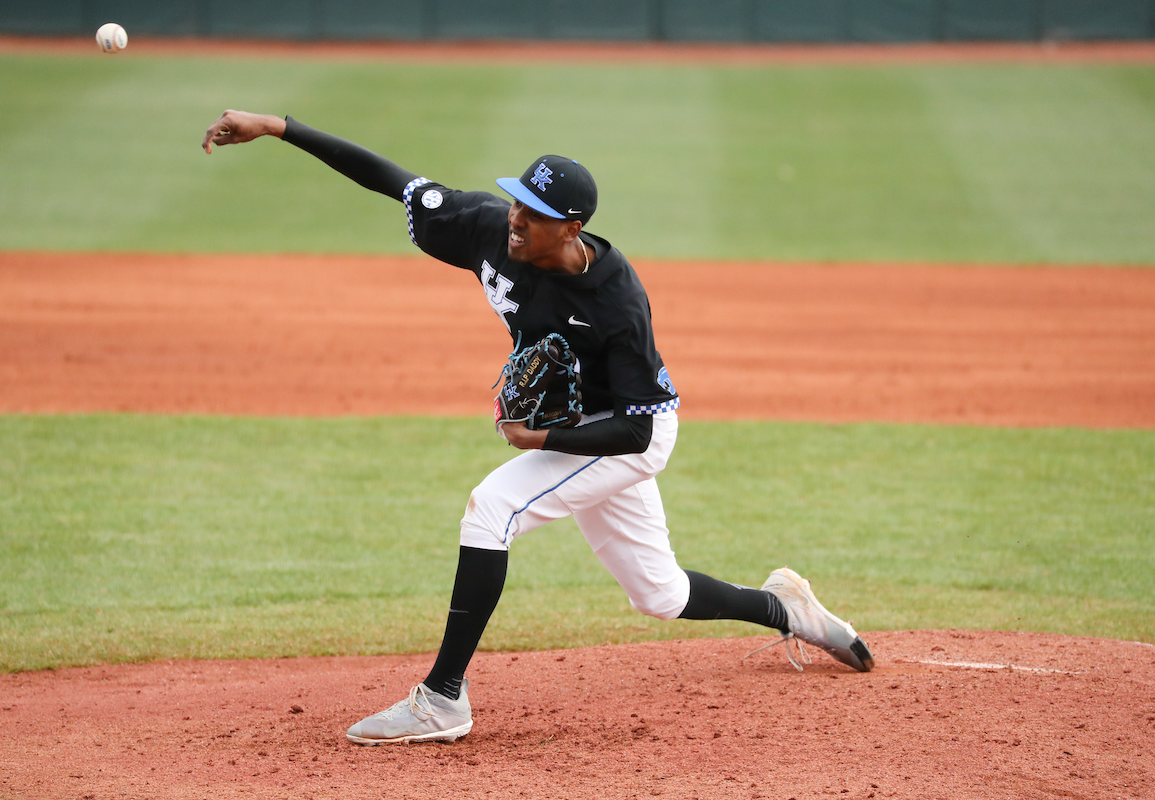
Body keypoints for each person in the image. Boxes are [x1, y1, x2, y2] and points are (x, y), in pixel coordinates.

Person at [201, 110, 875, 746]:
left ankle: (441, 699)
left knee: (491, 508)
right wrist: (278, 128)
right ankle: (788, 609)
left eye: (536, 213)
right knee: (660, 595)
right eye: (518, 201)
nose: (517, 218)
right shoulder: (491, 228)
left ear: (572, 227)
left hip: (624, 431)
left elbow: (637, 437)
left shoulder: (617, 303)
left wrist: (543, 440)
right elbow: (393, 179)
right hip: (588, 433)